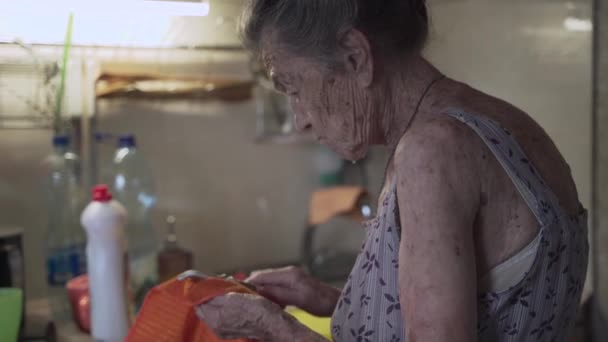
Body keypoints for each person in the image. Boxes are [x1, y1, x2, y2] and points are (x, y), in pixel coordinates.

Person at [196, 1, 589, 341]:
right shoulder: (502, 122)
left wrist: (274, 329)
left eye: (293, 88)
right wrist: (333, 303)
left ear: (355, 56)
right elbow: (482, 312)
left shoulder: (430, 154)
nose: (300, 120)